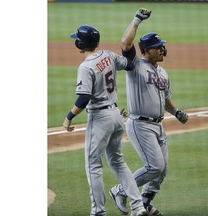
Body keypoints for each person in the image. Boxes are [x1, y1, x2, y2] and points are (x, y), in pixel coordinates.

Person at [109, 9, 189, 216]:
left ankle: (145, 203)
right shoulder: (135, 65)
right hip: (140, 125)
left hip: (158, 125)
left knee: (162, 171)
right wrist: (136, 20)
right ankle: (120, 190)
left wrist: (176, 111)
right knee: (154, 166)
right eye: (157, 47)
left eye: (162, 46)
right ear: (145, 50)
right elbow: (125, 45)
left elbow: (165, 98)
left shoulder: (163, 72)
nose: (162, 49)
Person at [63, 24, 147, 216]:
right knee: (118, 162)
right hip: (117, 116)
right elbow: (130, 64)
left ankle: (98, 212)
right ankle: (138, 206)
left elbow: (83, 99)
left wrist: (69, 117)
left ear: (80, 43)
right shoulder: (108, 55)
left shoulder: (85, 67)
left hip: (100, 118)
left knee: (93, 166)